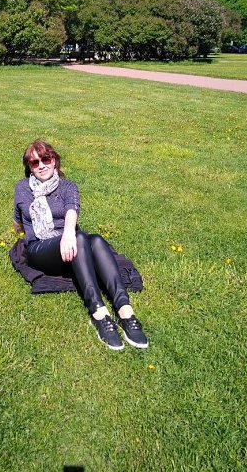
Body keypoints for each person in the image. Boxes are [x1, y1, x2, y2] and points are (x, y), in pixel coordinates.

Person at [13, 139, 148, 351]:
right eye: (34, 162)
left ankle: (125, 311)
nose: (41, 166)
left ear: (54, 160)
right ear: (29, 167)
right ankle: (99, 313)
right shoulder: (22, 187)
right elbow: (17, 221)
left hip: (69, 243)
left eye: (45, 159)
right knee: (80, 238)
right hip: (40, 248)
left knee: (95, 240)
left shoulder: (68, 186)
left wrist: (67, 233)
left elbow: (71, 210)